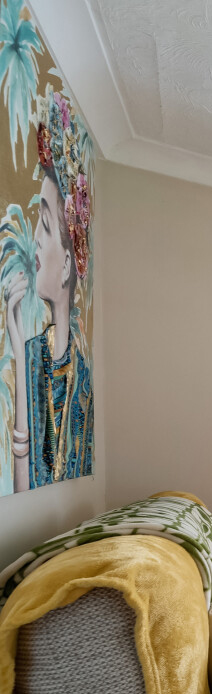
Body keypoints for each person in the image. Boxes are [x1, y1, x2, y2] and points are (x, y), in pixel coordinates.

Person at [5, 162, 93, 491]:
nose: (36, 239)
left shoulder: (83, 379)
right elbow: (22, 492)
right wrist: (17, 345)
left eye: (44, 225)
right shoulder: (31, 355)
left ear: (68, 264)